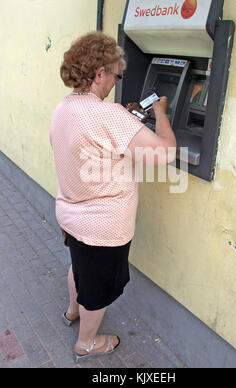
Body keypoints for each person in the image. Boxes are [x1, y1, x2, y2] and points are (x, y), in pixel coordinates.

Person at [49, 31, 176, 362]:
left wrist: (126, 120)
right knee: (99, 286)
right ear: (99, 72)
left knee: (79, 267)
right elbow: (165, 152)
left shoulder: (64, 108)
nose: (115, 83)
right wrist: (161, 113)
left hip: (71, 212)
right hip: (103, 226)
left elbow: (93, 141)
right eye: (116, 75)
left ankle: (72, 312)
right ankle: (87, 342)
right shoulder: (109, 116)